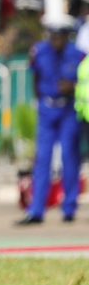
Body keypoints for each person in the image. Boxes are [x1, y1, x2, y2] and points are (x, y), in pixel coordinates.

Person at [17, 15, 84, 225]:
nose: (56, 38)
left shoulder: (79, 55)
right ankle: (36, 209)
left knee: (68, 156)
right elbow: (35, 79)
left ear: (67, 34)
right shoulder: (39, 51)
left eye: (61, 34)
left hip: (69, 109)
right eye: (53, 34)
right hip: (46, 109)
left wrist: (72, 88)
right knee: (42, 158)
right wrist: (40, 102)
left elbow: (84, 83)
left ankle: (69, 207)